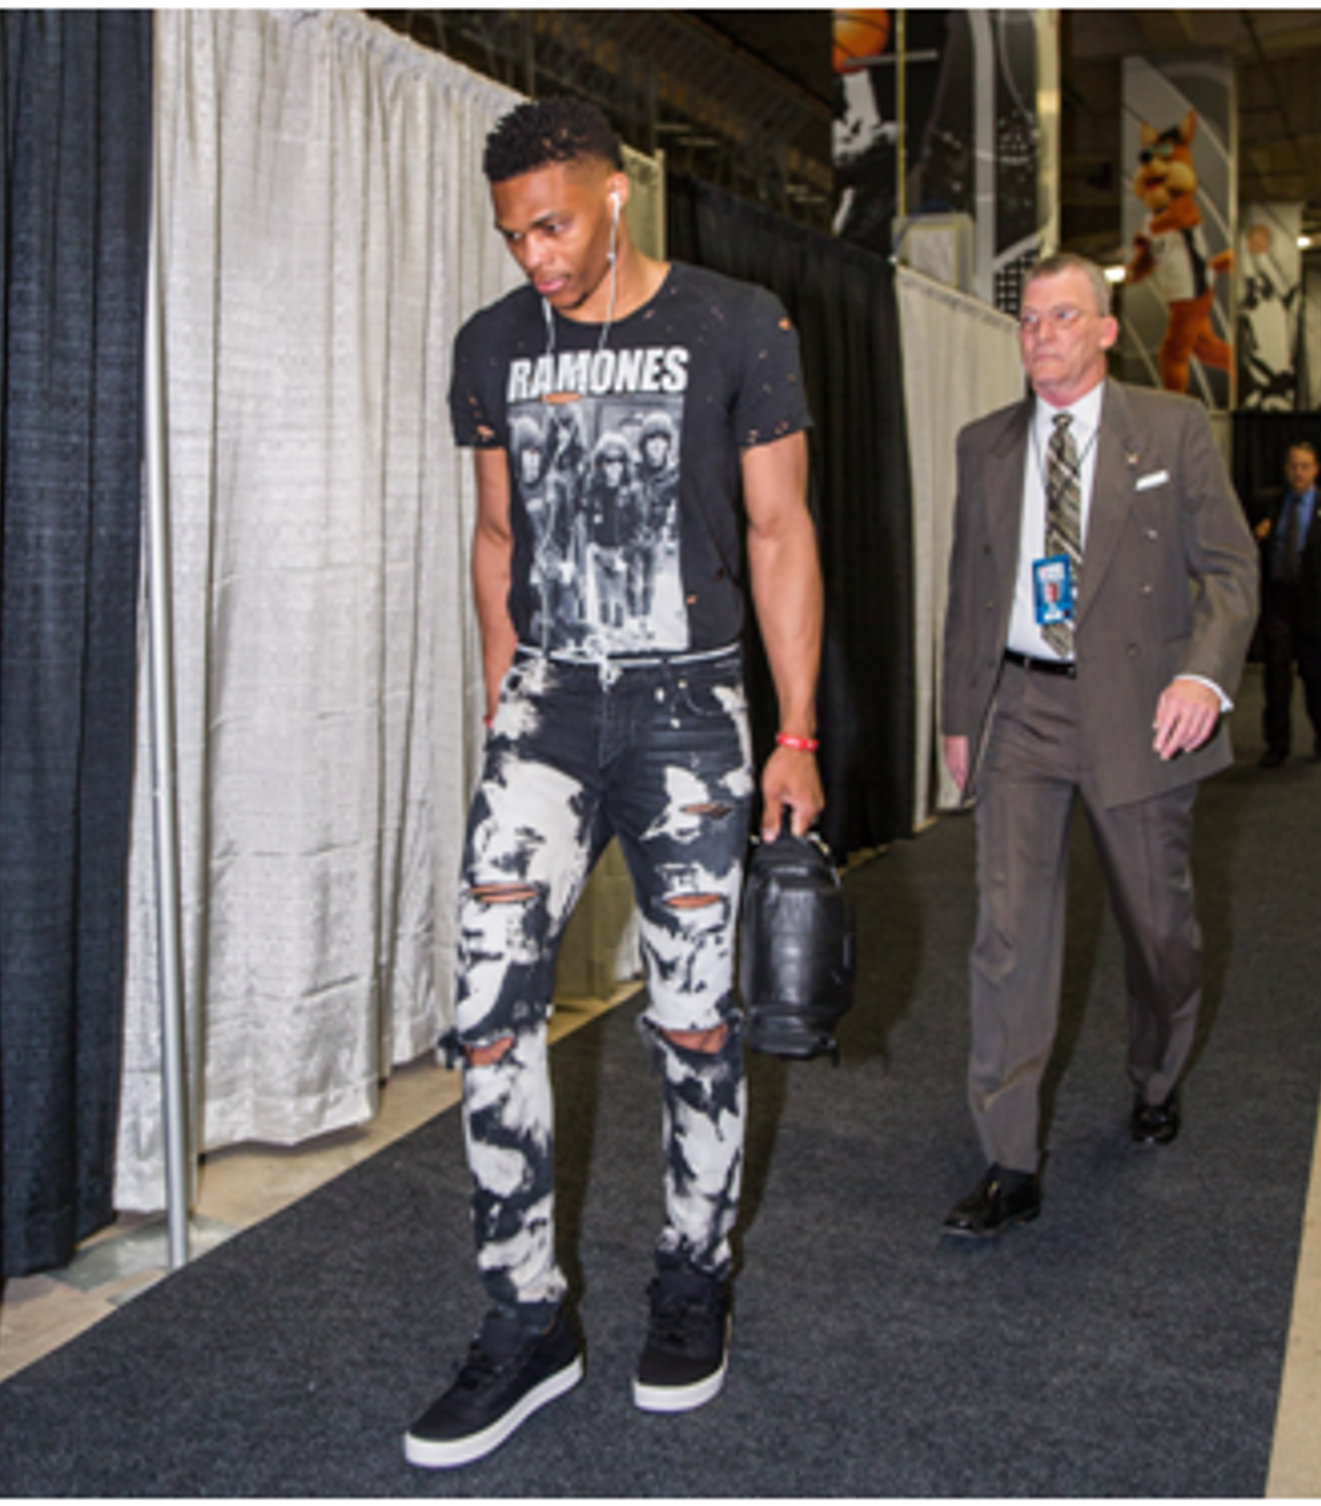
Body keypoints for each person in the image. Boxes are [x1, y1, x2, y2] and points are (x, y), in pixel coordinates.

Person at [403, 97, 825, 1469]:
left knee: (692, 1017)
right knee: (485, 1008)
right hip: (551, 703)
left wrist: (797, 735)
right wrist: (504, 704)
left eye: (555, 225)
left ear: (616, 196)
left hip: (690, 705)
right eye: (513, 235)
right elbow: (496, 533)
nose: (536, 254)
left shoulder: (735, 323)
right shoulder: (491, 345)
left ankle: (693, 1272)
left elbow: (779, 530)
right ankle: (525, 1315)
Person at [938, 253, 1258, 1239]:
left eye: (1064, 317)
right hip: (1022, 711)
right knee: (1008, 937)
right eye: (1030, 320)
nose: (1042, 335)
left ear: (1108, 330)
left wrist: (1203, 676)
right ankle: (1009, 1157)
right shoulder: (985, 445)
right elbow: (968, 590)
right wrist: (959, 715)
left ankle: (1156, 1073)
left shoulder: (1171, 427)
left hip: (1142, 710)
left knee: (1160, 932)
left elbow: (1231, 569)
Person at [1252, 442, 1321, 767]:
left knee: (1314, 674)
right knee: (1276, 674)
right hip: (1279, 599)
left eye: (1305, 466)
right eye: (1293, 466)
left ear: (1316, 470)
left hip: (1316, 603)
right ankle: (1277, 744)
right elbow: (1243, 547)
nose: (1298, 472)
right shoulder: (1268, 503)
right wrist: (1257, 536)